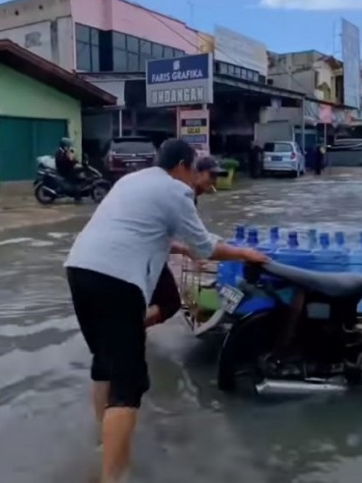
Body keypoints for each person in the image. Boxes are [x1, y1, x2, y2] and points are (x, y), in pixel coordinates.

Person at [64, 139, 268, 483]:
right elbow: (206, 248)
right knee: (128, 386)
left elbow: (132, 226)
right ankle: (114, 477)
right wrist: (246, 255)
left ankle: (104, 444)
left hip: (79, 269)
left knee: (104, 363)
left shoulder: (132, 180)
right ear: (185, 166)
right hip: (118, 280)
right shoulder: (177, 190)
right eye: (195, 172)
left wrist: (176, 246)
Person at [145, 155, 228, 329]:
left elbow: (175, 235)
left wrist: (190, 252)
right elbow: (195, 239)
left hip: (147, 250)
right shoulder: (183, 194)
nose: (213, 181)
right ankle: (128, 331)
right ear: (196, 173)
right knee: (170, 302)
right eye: (211, 175)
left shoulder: (185, 194)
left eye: (216, 177)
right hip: (146, 252)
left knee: (151, 301)